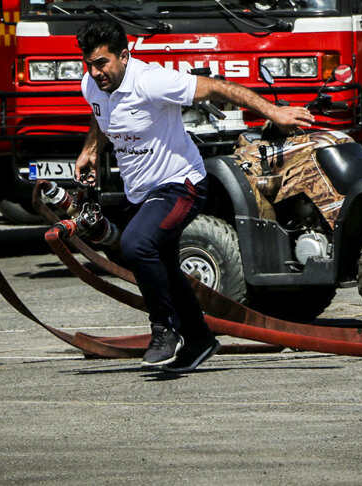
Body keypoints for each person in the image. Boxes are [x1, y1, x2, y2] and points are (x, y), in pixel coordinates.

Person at [73, 19, 315, 372]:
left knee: (137, 245)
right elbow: (102, 115)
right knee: (163, 264)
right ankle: (199, 339)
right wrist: (91, 151)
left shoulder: (152, 81)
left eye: (102, 63)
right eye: (89, 64)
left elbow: (219, 88)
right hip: (140, 190)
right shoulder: (93, 85)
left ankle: (164, 329)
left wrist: (274, 113)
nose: (95, 73)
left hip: (180, 184)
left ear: (124, 56)